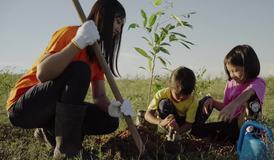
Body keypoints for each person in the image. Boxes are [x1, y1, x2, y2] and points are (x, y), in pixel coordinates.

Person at [5, 0, 132, 159]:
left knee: (110, 120)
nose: (119, 29)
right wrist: (77, 43)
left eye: (122, 25)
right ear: (103, 15)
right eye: (118, 21)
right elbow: (42, 74)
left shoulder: (98, 55)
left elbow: (99, 97)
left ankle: (50, 129)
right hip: (25, 107)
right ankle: (69, 151)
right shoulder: (71, 33)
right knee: (79, 69)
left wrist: (113, 109)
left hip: (51, 112)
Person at [190, 44, 266, 144]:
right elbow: (226, 107)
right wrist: (213, 102)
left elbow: (249, 92)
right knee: (198, 128)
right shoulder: (230, 84)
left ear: (248, 66)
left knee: (252, 100)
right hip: (230, 125)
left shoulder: (258, 82)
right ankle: (209, 137)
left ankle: (248, 139)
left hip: (245, 125)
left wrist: (234, 104)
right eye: (230, 71)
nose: (232, 75)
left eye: (236, 70)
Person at [144, 66, 199, 138]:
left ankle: (176, 135)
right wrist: (160, 122)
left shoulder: (193, 101)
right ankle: (168, 132)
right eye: (177, 95)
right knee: (163, 104)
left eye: (186, 95)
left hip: (182, 123)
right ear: (170, 87)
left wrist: (178, 131)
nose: (180, 99)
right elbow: (147, 115)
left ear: (192, 91)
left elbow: (188, 123)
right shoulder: (162, 94)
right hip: (167, 121)